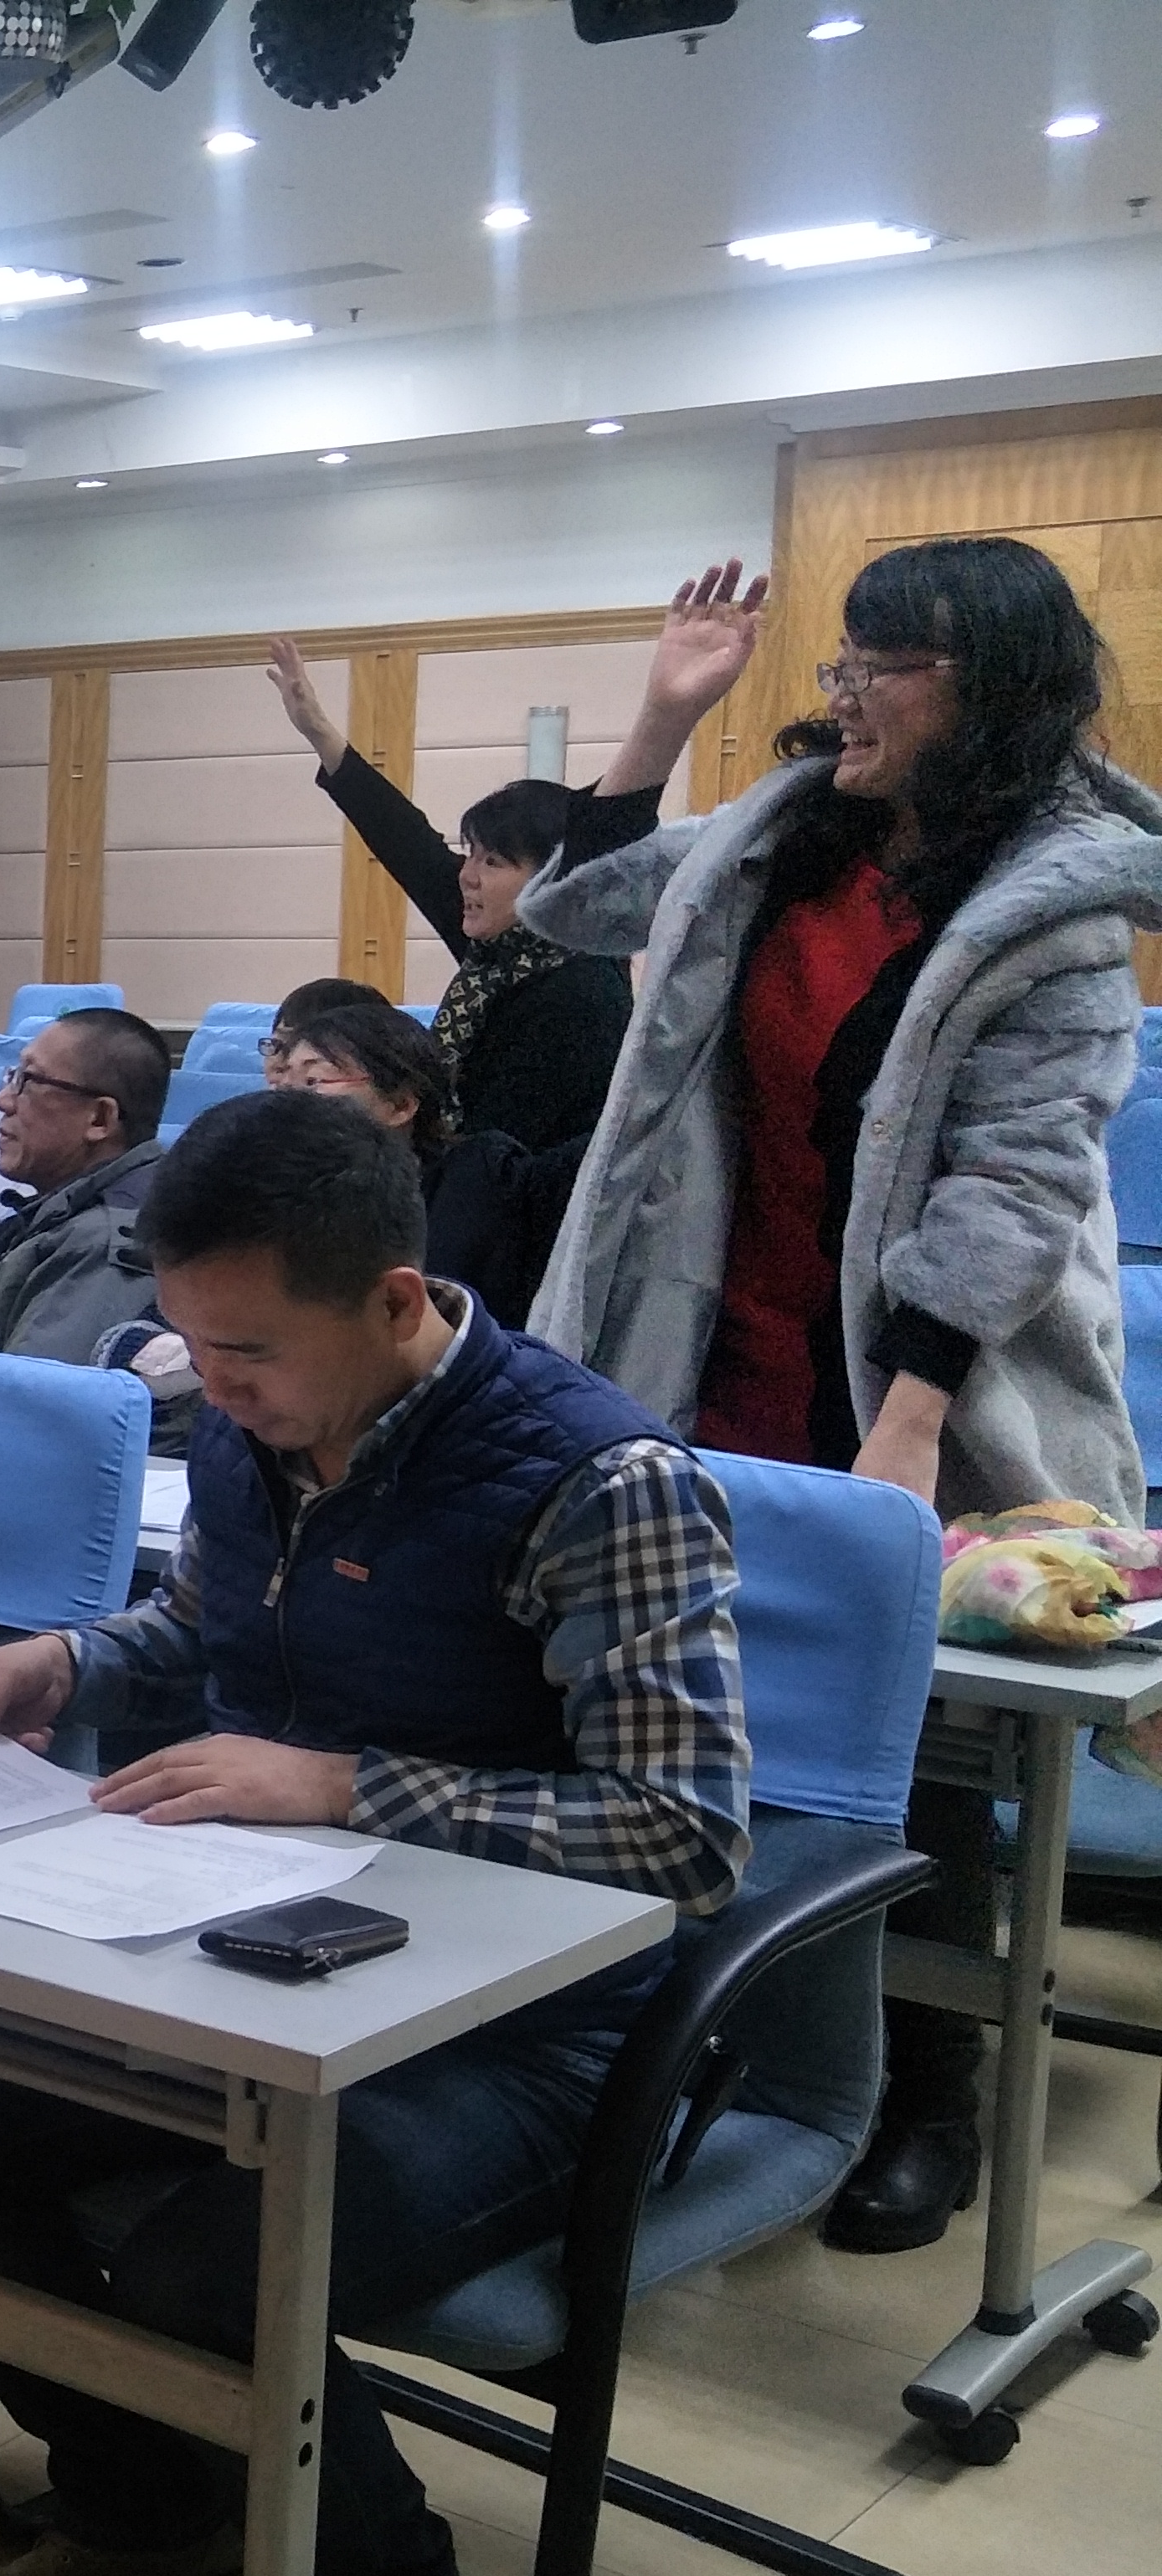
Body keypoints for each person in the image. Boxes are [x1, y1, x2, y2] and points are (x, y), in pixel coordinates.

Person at [0, 1089, 749, 2576]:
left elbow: (685, 1836)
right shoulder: (257, 1426)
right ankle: (152, 2502)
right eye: (193, 1345)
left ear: (395, 1299)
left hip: (534, 2043)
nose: (213, 1387)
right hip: (264, 1964)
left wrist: (347, 1784)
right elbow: (208, 1620)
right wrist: (74, 1660)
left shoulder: (601, 1481)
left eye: (247, 1353)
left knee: (223, 2259)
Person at [527, 541, 1162, 2252]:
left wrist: (911, 1416)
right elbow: (566, 913)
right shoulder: (784, 832)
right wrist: (660, 720)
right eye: (845, 659)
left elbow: (1017, 1185)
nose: (844, 692)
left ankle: (924, 2095)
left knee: (919, 1745)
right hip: (722, 1343)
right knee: (713, 1718)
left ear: (990, 687)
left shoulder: (1058, 904)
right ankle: (745, 2046)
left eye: (887, 665)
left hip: (930, 1373)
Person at [266, 639, 633, 1151]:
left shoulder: (582, 992)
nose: (468, 876)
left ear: (553, 879)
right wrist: (319, 730)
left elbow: (505, 1148)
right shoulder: (502, 951)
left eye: (493, 861)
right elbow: (408, 842)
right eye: (471, 854)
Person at [270, 999, 576, 1325]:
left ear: (400, 1105)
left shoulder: (481, 1176)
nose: (286, 1100)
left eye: (313, 1081)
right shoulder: (276, 1193)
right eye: (284, 1083)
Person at [0, 1003, 168, 1364]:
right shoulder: (58, 1212)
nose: (2, 1101)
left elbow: (24, 1395)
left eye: (30, 1082)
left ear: (99, 1119)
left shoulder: (106, 1249)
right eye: (13, 1077)